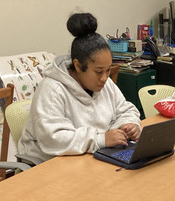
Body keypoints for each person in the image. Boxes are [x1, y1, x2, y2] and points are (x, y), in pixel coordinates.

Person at [18, 12, 141, 163]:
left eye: (108, 70)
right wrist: (100, 139)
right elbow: (53, 138)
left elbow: (126, 109)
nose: (105, 78)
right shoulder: (52, 89)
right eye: (98, 71)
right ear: (77, 65)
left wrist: (129, 125)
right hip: (50, 162)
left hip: (93, 155)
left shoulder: (105, 83)